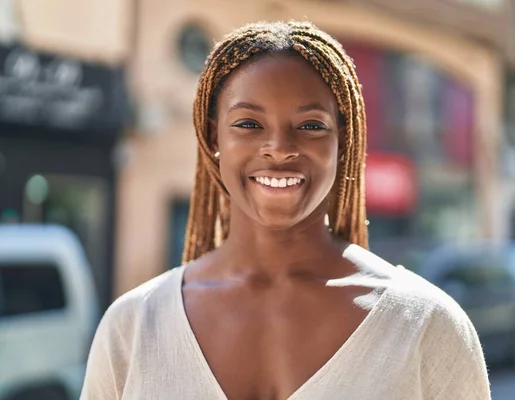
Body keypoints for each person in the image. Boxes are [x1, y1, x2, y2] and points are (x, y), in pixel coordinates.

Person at [81, 21, 490, 399]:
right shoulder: (132, 327)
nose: (278, 148)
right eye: (248, 124)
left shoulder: (426, 326)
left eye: (311, 125)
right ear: (212, 136)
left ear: (343, 142)